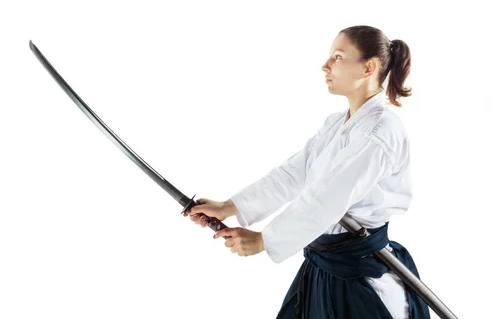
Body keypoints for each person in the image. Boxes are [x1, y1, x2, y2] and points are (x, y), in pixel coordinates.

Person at [184, 25, 430, 318]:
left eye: (338, 57)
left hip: (360, 277)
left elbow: (325, 199)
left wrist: (264, 241)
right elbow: (293, 175)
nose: (325, 65)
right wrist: (228, 207)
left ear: (369, 68)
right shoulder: (337, 125)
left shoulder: (379, 133)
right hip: (322, 268)